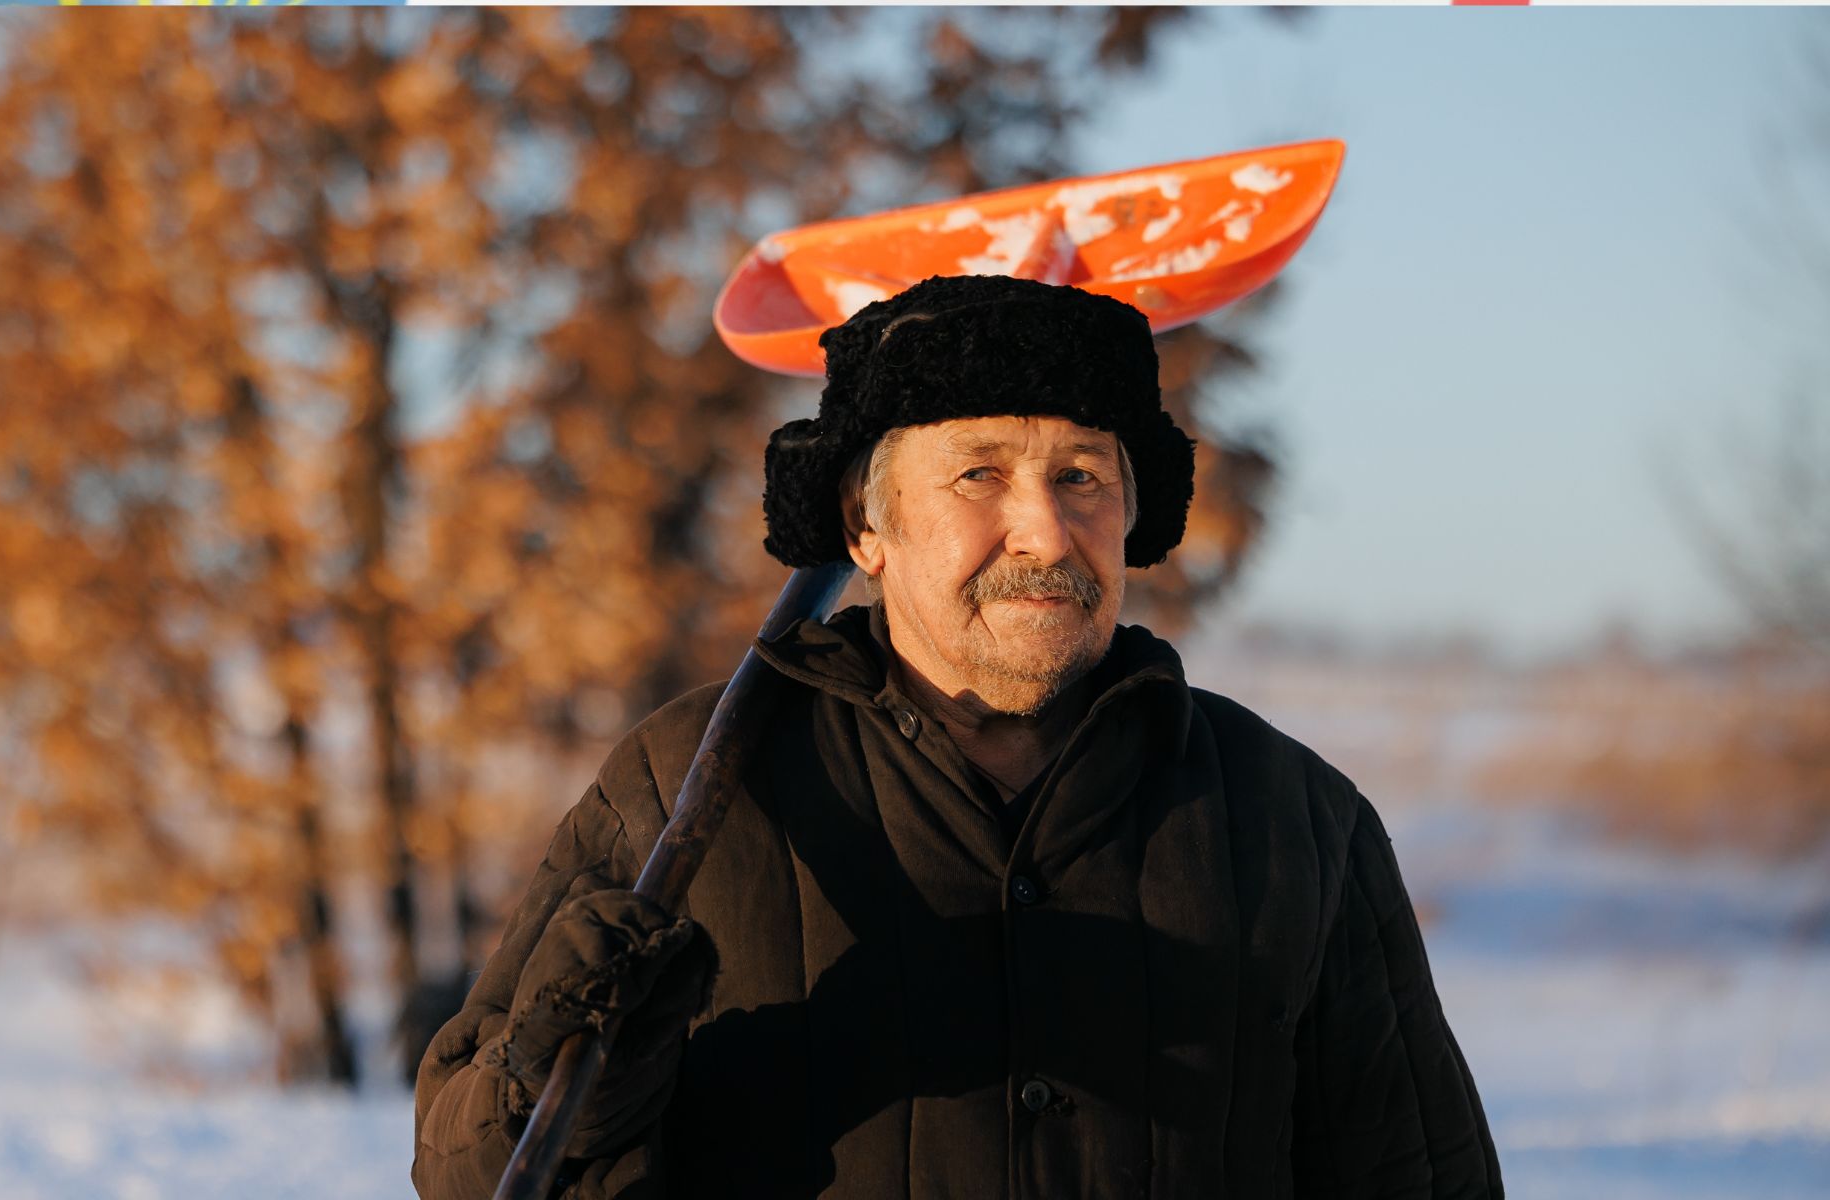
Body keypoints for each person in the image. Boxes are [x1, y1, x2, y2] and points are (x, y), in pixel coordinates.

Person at [412, 274, 1502, 1199]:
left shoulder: (1291, 818)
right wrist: (553, 1073)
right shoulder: (692, 787)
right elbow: (463, 1170)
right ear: (863, 527)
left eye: (1081, 475)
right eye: (980, 473)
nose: (1044, 528)